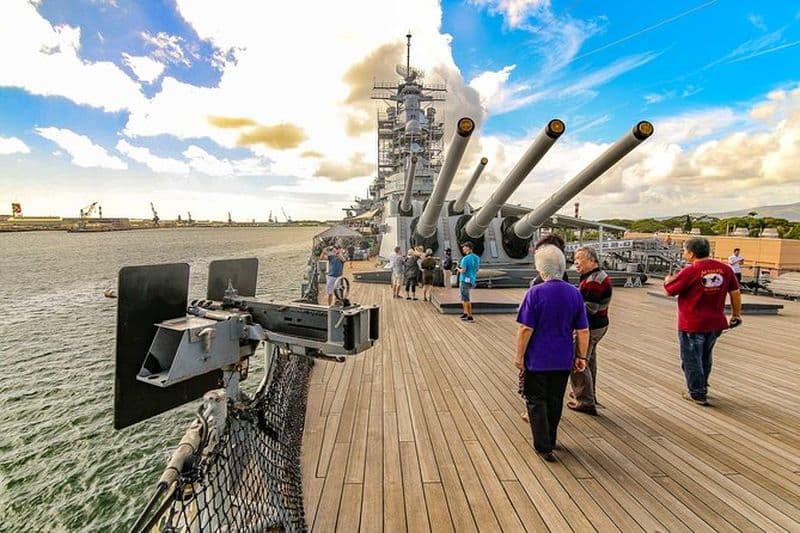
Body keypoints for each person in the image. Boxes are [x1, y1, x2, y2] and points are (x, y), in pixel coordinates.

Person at [515, 245, 589, 462]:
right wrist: (581, 357)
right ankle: (551, 437)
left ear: (540, 269)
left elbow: (525, 328)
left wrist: (519, 357)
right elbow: (582, 330)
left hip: (537, 359)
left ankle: (543, 445)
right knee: (555, 400)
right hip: (562, 358)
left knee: (536, 400)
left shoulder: (535, 293)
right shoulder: (574, 293)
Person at [664, 237, 743, 406]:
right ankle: (702, 385)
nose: (684, 254)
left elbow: (670, 291)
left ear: (691, 253)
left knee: (691, 359)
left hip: (692, 324)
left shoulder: (690, 271)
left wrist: (667, 281)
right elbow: (735, 292)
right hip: (715, 323)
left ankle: (697, 393)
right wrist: (736, 314)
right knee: (705, 356)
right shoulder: (725, 269)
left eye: (685, 250)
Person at [567, 247, 612, 416]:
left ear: (592, 260)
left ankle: (585, 401)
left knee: (578, 360)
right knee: (589, 359)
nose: (576, 262)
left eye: (580, 258)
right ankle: (588, 392)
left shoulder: (594, 281)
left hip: (591, 326)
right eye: (575, 259)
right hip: (599, 324)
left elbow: (589, 308)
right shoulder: (593, 276)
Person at [457, 241, 480, 321]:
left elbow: (463, 270)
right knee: (464, 297)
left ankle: (470, 316)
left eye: (464, 247)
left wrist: (458, 269)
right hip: (472, 279)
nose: (463, 248)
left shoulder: (465, 259)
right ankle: (465, 313)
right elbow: (477, 269)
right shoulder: (476, 258)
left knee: (466, 298)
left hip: (464, 280)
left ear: (468, 248)